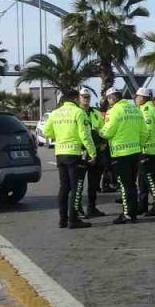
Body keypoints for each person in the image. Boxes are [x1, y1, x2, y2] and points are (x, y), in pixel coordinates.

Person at [44, 92, 94, 230]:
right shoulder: (78, 112)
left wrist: (59, 136)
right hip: (74, 154)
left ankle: (63, 219)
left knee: (64, 187)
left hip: (60, 153)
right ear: (75, 99)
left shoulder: (55, 113)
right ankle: (73, 219)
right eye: (79, 98)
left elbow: (46, 132)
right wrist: (92, 153)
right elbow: (85, 135)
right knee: (76, 188)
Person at [99, 87, 144, 224]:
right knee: (132, 183)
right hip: (135, 151)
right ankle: (133, 212)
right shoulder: (135, 109)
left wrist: (99, 133)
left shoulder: (114, 111)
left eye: (108, 99)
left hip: (120, 153)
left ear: (112, 98)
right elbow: (143, 131)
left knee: (125, 186)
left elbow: (108, 132)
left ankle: (128, 214)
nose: (108, 102)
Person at [77, 88, 108, 219]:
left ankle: (92, 207)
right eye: (83, 97)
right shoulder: (76, 113)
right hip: (81, 153)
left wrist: (102, 143)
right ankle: (77, 208)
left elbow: (104, 129)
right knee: (78, 184)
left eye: (88, 97)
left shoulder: (95, 113)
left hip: (96, 153)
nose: (86, 99)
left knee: (94, 183)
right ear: (79, 98)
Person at [135, 88, 155, 216]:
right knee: (142, 180)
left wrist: (140, 145)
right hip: (151, 149)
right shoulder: (150, 109)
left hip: (146, 150)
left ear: (142, 98)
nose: (135, 99)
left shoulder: (146, 111)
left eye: (137, 96)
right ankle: (142, 205)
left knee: (150, 179)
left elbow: (146, 131)